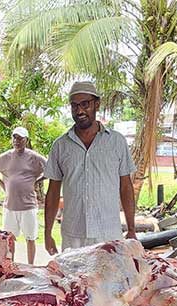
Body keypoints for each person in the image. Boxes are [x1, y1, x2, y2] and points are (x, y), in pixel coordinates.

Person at [43, 81, 137, 254]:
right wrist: (47, 232)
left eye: (85, 104)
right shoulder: (60, 146)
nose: (79, 111)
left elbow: (125, 186)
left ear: (97, 104)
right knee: (75, 281)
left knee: (110, 280)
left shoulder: (116, 142)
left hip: (108, 233)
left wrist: (131, 228)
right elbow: (53, 192)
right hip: (73, 235)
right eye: (74, 106)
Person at [0, 127, 47, 264]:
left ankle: (30, 266)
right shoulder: (6, 156)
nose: (17, 141)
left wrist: (37, 180)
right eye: (14, 138)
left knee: (30, 238)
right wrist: (2, 184)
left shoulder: (34, 157)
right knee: (9, 238)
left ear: (26, 140)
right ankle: (11, 266)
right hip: (10, 207)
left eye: (20, 138)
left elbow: (51, 169)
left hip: (28, 206)